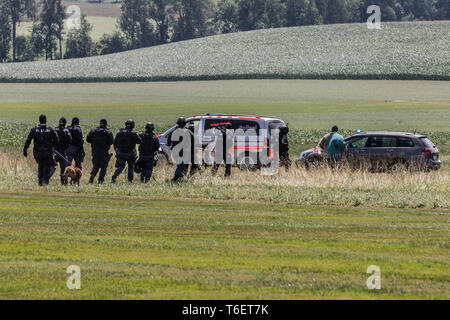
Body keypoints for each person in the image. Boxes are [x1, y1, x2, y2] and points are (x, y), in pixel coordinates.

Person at [23, 114, 59, 186]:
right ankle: (45, 182)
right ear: (46, 120)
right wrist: (54, 149)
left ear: (39, 120)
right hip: (48, 152)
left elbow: (28, 140)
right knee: (47, 166)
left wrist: (25, 149)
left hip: (38, 152)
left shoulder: (34, 129)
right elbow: (57, 140)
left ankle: (40, 182)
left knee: (40, 165)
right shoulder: (50, 129)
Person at [86, 118, 114, 184]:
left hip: (95, 151)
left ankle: (92, 176)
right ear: (106, 124)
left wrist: (93, 142)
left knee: (96, 165)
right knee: (103, 167)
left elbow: (87, 139)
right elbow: (111, 142)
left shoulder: (94, 131)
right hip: (104, 152)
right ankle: (100, 180)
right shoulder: (108, 132)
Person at [168, 117, 194, 182]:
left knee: (181, 165)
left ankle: (180, 178)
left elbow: (168, 143)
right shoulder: (189, 132)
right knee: (182, 166)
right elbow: (194, 141)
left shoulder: (173, 132)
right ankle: (176, 178)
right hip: (186, 152)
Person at [50, 117, 72, 185]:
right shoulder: (66, 131)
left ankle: (45, 179)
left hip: (55, 151)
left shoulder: (54, 130)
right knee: (63, 168)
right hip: (62, 152)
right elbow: (70, 140)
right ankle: (64, 182)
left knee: (52, 165)